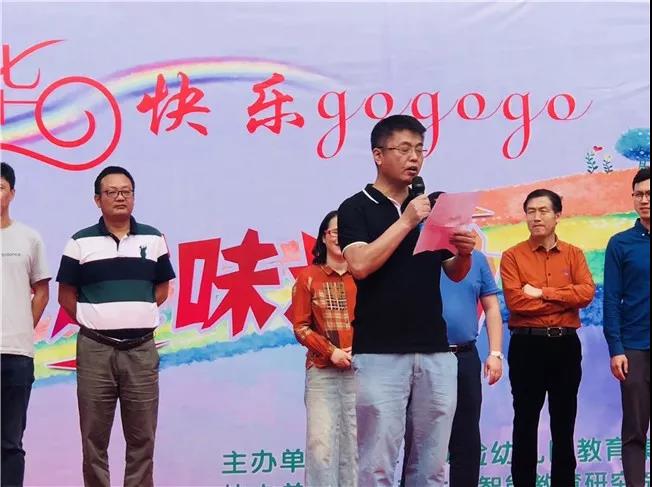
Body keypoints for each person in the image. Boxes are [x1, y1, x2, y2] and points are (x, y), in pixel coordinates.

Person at [338, 114, 476, 486]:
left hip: (435, 349)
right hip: (380, 352)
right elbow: (360, 265)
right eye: (403, 149)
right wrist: (406, 221)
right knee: (377, 463)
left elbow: (454, 272)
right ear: (378, 155)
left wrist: (464, 253)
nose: (414, 157)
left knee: (432, 465)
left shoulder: (433, 206)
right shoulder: (356, 208)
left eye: (419, 149)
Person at [56, 166, 176, 487]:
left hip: (141, 350)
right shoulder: (79, 242)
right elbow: (65, 296)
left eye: (126, 191)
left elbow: (162, 289)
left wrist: (134, 313)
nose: (120, 197)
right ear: (98, 200)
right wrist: (96, 319)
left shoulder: (153, 238)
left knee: (143, 437)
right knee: (93, 438)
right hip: (95, 349)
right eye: (111, 192)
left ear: (134, 197)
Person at [500, 188, 595, 486]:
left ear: (557, 215)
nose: (536, 217)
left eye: (543, 211)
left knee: (564, 424)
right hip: (527, 345)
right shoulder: (512, 256)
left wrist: (542, 293)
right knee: (525, 423)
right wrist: (565, 298)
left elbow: (586, 293)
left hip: (565, 345)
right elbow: (517, 302)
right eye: (531, 211)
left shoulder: (573, 254)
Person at [434, 193, 504, 487]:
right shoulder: (416, 258)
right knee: (426, 437)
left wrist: (495, 353)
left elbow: (491, 308)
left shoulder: (477, 259)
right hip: (427, 358)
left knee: (466, 435)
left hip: (465, 356)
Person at [291, 210, 357, 487]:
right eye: (335, 232)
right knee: (320, 447)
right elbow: (300, 327)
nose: (340, 238)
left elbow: (379, 321)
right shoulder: (308, 277)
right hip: (322, 373)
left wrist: (358, 350)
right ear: (323, 237)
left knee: (355, 447)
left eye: (347, 232)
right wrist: (331, 352)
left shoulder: (364, 276)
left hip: (360, 371)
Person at [1, 162, 51, 487]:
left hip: (16, 354)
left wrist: (22, 326)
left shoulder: (29, 238)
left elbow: (42, 292)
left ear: (12, 193)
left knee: (9, 442)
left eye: (0, 188)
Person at [603, 166, 650, 487]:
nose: (644, 200)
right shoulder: (620, 244)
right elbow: (611, 299)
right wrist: (616, 348)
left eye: (649, 194)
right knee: (634, 430)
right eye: (639, 194)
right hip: (634, 348)